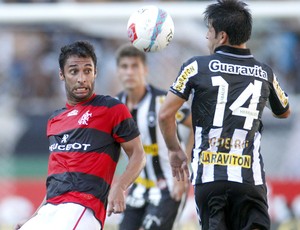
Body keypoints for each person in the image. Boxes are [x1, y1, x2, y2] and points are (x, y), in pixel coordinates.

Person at [158, 1, 291, 230]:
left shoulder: (196, 67)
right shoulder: (264, 73)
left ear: (222, 36)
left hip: (210, 180)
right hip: (250, 181)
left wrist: (174, 150)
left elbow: (165, 114)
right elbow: (284, 111)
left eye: (209, 30)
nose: (206, 36)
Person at [15, 41, 146, 230]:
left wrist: (120, 186)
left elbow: (138, 154)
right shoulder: (55, 120)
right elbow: (56, 181)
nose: (81, 78)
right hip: (49, 211)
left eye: (87, 70)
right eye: (74, 71)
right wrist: (35, 217)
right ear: (62, 74)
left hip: (82, 208)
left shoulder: (111, 109)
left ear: (95, 73)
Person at [115, 44, 194, 230]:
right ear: (118, 71)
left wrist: (184, 167)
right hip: (138, 187)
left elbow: (196, 126)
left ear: (145, 70)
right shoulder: (116, 106)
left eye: (135, 66)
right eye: (124, 67)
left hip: (168, 185)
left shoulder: (162, 101)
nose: (129, 72)